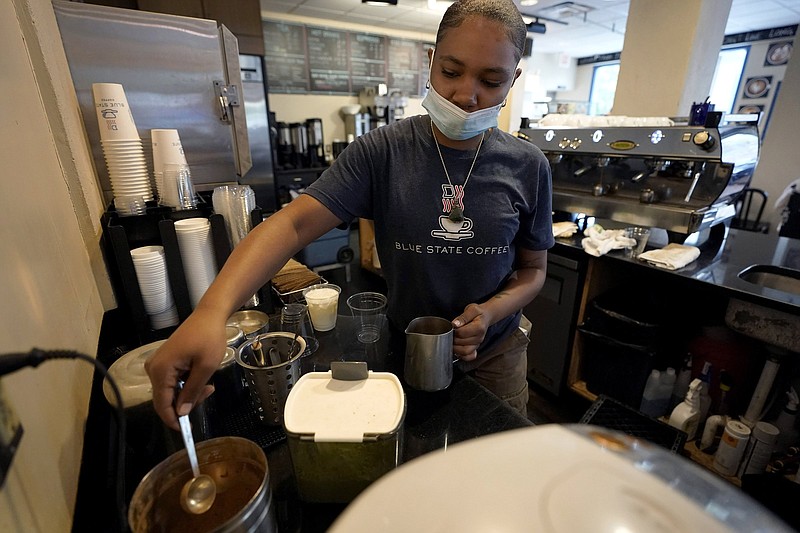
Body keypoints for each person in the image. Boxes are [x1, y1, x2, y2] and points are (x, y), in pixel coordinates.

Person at [146, 0, 554, 430]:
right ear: (431, 62)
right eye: (451, 72)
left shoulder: (528, 166)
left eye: (491, 81)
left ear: (514, 79)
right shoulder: (383, 152)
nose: (466, 95)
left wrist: (489, 314)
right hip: (405, 347)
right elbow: (291, 223)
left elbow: (533, 271)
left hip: (496, 354)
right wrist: (211, 312)